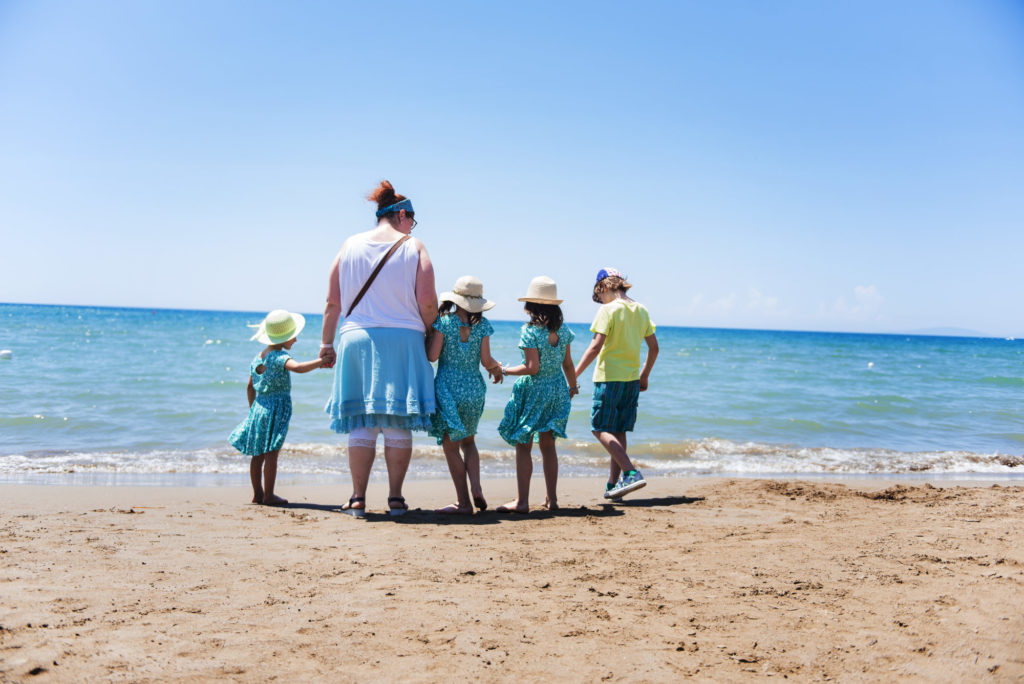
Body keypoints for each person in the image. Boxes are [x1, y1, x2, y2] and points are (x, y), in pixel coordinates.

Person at [319, 180, 437, 517]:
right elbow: (428, 302)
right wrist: (430, 331)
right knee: (397, 422)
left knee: (363, 422)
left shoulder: (349, 245)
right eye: (412, 219)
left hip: (356, 338)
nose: (412, 226)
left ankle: (357, 498)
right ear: (401, 215)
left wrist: (327, 343)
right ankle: (396, 499)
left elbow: (332, 302)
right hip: (403, 340)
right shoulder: (413, 246)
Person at [574, 268, 658, 500]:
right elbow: (654, 347)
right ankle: (614, 484)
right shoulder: (641, 310)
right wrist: (644, 375)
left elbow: (595, 347)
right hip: (631, 380)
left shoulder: (607, 310)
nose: (598, 300)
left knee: (599, 428)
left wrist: (574, 375)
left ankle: (630, 471)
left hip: (609, 378)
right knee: (618, 431)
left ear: (604, 287)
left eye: (598, 295)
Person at [496, 276, 579, 513]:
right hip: (557, 389)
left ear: (531, 305)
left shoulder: (530, 332)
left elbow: (532, 368)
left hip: (535, 391)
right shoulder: (563, 331)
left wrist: (503, 370)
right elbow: (568, 365)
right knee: (548, 445)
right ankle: (552, 499)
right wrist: (572, 388)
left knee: (523, 445)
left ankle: (522, 502)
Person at [229, 309, 323, 506]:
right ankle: (269, 495)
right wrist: (321, 362)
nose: (295, 340)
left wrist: (253, 410)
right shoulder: (279, 357)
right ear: (284, 338)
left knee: (258, 453)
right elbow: (298, 368)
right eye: (293, 336)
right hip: (276, 409)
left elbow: (249, 386)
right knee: (272, 452)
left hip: (258, 408)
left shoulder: (259, 357)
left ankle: (257, 494)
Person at [427, 276, 504, 515]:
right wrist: (497, 367)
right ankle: (477, 487)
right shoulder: (483, 325)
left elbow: (432, 356)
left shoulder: (444, 323)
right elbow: (486, 360)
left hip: (448, 389)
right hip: (474, 389)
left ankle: (463, 502)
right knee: (469, 441)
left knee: (451, 447)